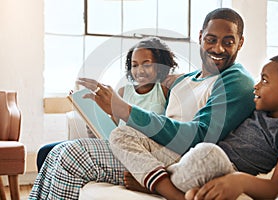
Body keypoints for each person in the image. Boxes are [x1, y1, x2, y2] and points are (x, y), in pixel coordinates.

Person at [29, 8, 255, 199]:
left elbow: (200, 134)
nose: (218, 49)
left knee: (73, 155)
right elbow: (165, 120)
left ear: (241, 42)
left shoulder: (236, 80)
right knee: (56, 153)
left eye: (229, 42)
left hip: (180, 155)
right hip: (152, 146)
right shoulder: (187, 79)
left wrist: (126, 111)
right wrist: (110, 111)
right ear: (200, 37)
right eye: (211, 40)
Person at [35, 36, 178, 172]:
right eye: (134, 65)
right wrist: (90, 119)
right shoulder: (123, 92)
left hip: (135, 152)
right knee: (45, 152)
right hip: (112, 146)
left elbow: (168, 127)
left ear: (159, 66)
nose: (139, 70)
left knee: (62, 153)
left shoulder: (165, 90)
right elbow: (111, 129)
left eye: (147, 64)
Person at [180, 54, 278, 200]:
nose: (256, 86)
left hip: (228, 169)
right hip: (204, 165)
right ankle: (165, 180)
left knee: (208, 152)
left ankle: (164, 181)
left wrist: (240, 181)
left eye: (264, 80)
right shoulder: (256, 107)